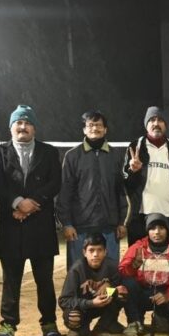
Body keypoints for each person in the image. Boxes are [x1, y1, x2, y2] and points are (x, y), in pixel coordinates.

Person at [0, 105, 62, 336]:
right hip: (12, 225)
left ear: (34, 128)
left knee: (44, 280)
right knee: (11, 280)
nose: (23, 127)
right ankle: (8, 324)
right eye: (18, 123)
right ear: (11, 127)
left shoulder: (49, 152)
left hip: (41, 225)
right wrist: (18, 203)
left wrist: (33, 203)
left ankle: (49, 323)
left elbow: (55, 183)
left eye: (27, 123)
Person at [59, 110, 128, 268]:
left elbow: (122, 192)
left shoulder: (116, 155)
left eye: (98, 125)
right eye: (90, 125)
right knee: (78, 273)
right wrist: (67, 224)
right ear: (84, 130)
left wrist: (122, 222)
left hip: (109, 227)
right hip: (79, 228)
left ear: (105, 129)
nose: (95, 128)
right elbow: (64, 193)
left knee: (109, 274)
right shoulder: (72, 156)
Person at [118, 213, 169, 336]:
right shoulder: (137, 248)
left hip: (163, 293)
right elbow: (122, 272)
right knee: (128, 283)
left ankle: (162, 317)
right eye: (152, 228)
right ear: (147, 231)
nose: (157, 232)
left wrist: (167, 296)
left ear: (167, 230)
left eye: (161, 228)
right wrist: (134, 266)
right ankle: (135, 322)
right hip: (142, 292)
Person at [122, 106, 169, 245]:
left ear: (165, 125)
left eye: (160, 120)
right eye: (152, 120)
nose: (156, 123)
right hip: (140, 216)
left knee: (165, 256)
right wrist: (133, 171)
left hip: (168, 215)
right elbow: (126, 184)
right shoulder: (135, 146)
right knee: (139, 256)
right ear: (146, 124)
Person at [58, 233, 125, 336]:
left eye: (100, 250)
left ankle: (101, 328)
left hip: (102, 306)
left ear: (105, 252)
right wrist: (91, 303)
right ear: (84, 252)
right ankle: (77, 330)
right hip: (83, 308)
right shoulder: (76, 270)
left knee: (122, 294)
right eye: (91, 250)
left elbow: (118, 288)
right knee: (73, 316)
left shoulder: (112, 266)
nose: (95, 254)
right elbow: (64, 300)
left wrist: (110, 289)